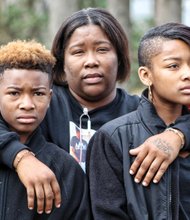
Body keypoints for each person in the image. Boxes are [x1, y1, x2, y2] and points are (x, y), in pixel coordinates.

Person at [0, 8, 189, 214]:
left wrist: (178, 135)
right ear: (62, 62)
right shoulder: (41, 103)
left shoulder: (139, 114)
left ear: (120, 57)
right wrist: (21, 157)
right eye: (78, 51)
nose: (91, 61)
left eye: (102, 50)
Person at [86, 22, 190, 219]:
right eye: (173, 66)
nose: (187, 74)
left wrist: (178, 135)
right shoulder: (114, 137)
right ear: (145, 75)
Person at [0, 40, 90, 219]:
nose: (27, 104)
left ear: (49, 98)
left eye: (38, 93)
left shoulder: (66, 170)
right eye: (14, 93)